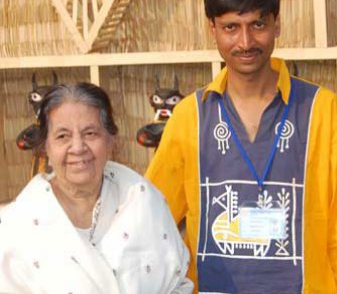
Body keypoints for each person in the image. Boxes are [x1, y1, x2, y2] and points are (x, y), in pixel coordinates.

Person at [145, 0, 337, 293]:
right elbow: (151, 219)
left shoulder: (321, 111)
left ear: (276, 23)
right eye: (231, 27)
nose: (245, 42)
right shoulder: (190, 117)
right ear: (212, 28)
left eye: (257, 24)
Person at [0, 82, 193, 294]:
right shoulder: (18, 224)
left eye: (90, 133)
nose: (78, 148)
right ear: (46, 145)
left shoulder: (143, 201)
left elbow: (178, 286)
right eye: (62, 136)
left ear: (111, 141)